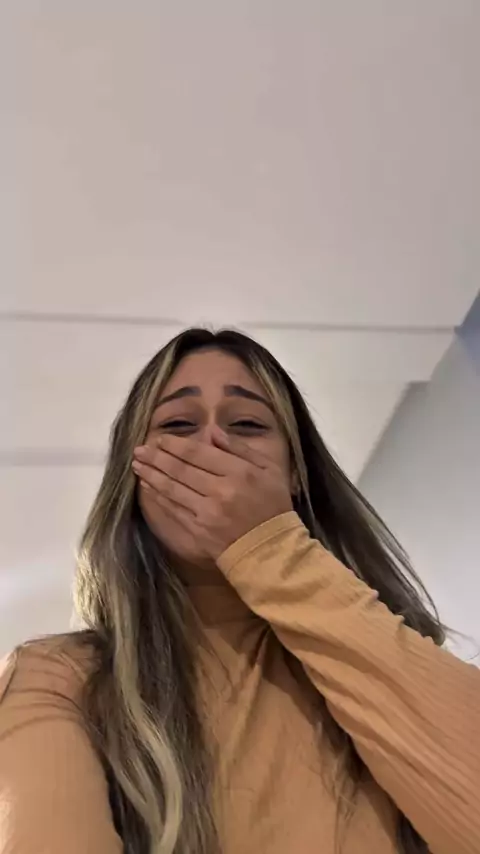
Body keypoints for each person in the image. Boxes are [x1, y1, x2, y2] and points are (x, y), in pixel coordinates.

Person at [0, 327, 479, 854]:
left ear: (295, 474)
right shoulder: (57, 678)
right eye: (177, 425)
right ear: (133, 479)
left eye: (248, 425)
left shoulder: (382, 652)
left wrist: (272, 549)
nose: (213, 444)